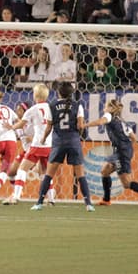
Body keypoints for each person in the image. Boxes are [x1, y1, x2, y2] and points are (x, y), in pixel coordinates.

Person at [31, 81, 96, 211]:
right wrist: (77, 136)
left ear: (58, 93)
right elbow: (80, 126)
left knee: (49, 174)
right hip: (73, 141)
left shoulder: (52, 105)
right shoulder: (78, 106)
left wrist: (43, 139)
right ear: (71, 93)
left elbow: (49, 127)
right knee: (80, 174)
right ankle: (88, 204)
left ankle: (39, 203)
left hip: (58, 142)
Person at [94, 99, 138, 207]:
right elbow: (134, 137)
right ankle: (106, 200)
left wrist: (123, 149)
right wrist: (127, 146)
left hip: (121, 153)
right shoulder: (121, 121)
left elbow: (100, 122)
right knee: (105, 170)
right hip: (121, 151)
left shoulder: (110, 118)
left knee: (127, 183)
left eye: (106, 106)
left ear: (111, 108)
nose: (104, 108)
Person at [8, 83, 53, 206]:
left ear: (35, 95)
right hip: (49, 144)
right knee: (45, 172)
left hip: (37, 144)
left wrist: (10, 127)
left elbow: (21, 124)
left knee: (22, 169)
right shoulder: (51, 108)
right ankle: (51, 199)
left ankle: (16, 196)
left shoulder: (32, 110)